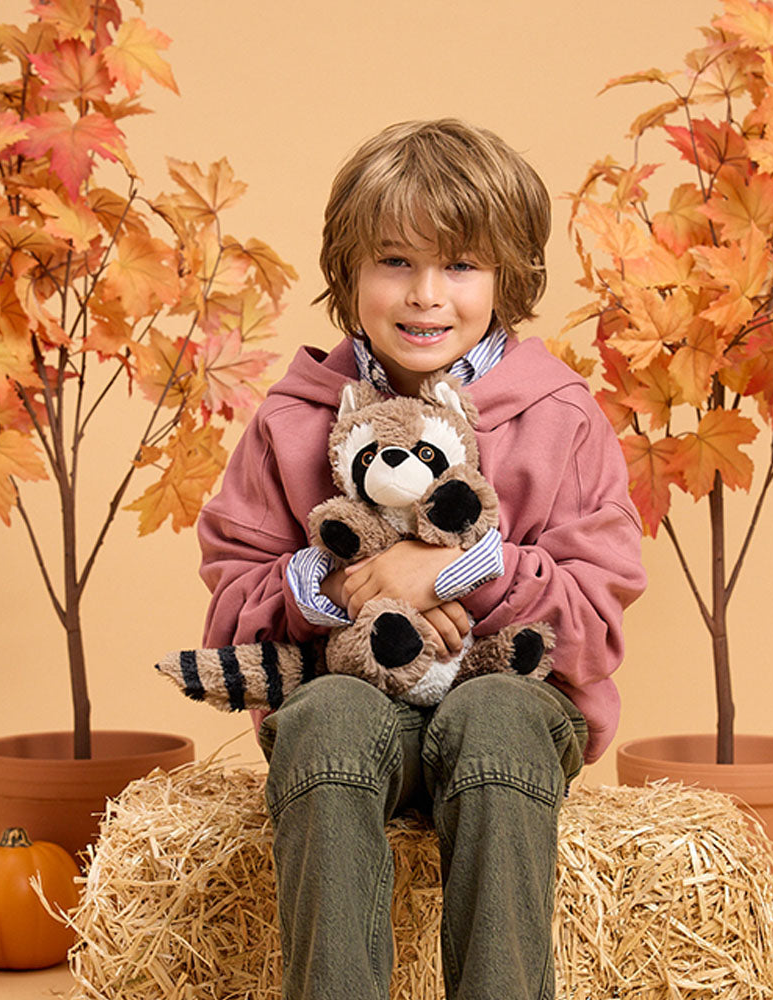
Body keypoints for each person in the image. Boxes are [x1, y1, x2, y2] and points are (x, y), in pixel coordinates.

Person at [197, 118, 646, 1000]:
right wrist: (343, 586)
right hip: (357, 707)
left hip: (508, 713)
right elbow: (229, 608)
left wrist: (456, 570)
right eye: (395, 261)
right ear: (349, 273)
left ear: (510, 278)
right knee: (326, 715)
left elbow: (593, 623)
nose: (426, 296)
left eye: (462, 266)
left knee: (498, 715)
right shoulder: (292, 420)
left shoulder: (562, 418)